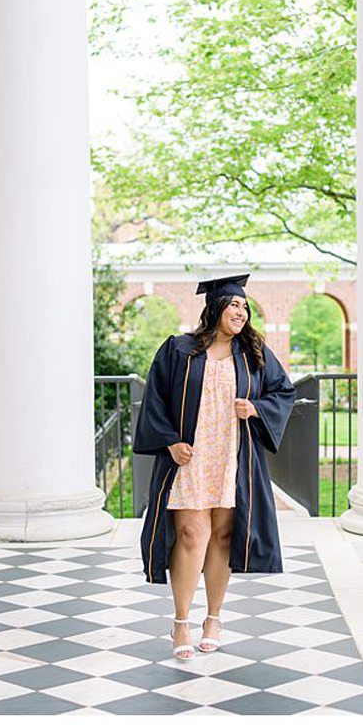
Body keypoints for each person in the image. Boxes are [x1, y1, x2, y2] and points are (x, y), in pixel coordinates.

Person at [132, 272, 297, 661]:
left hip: (232, 457)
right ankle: (181, 621)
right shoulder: (179, 349)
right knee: (191, 534)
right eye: (234, 304)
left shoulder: (253, 353)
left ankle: (214, 618)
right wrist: (169, 441)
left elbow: (283, 391)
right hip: (191, 458)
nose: (241, 311)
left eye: (245, 306)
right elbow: (155, 400)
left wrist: (255, 407)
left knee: (222, 537)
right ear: (216, 307)